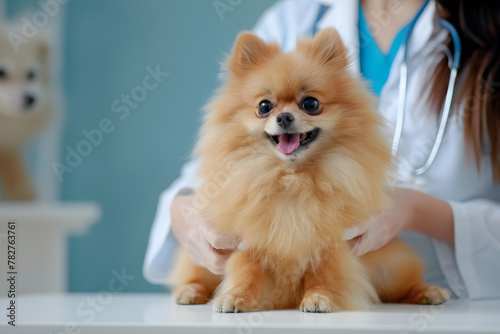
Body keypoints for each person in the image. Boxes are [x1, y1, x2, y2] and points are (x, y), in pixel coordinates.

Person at [143, 0, 500, 300]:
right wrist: (182, 209)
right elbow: (219, 157)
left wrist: (417, 211)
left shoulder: (487, 27)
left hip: (458, 308)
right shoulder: (295, 16)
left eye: (310, 104)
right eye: (267, 108)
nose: (284, 117)